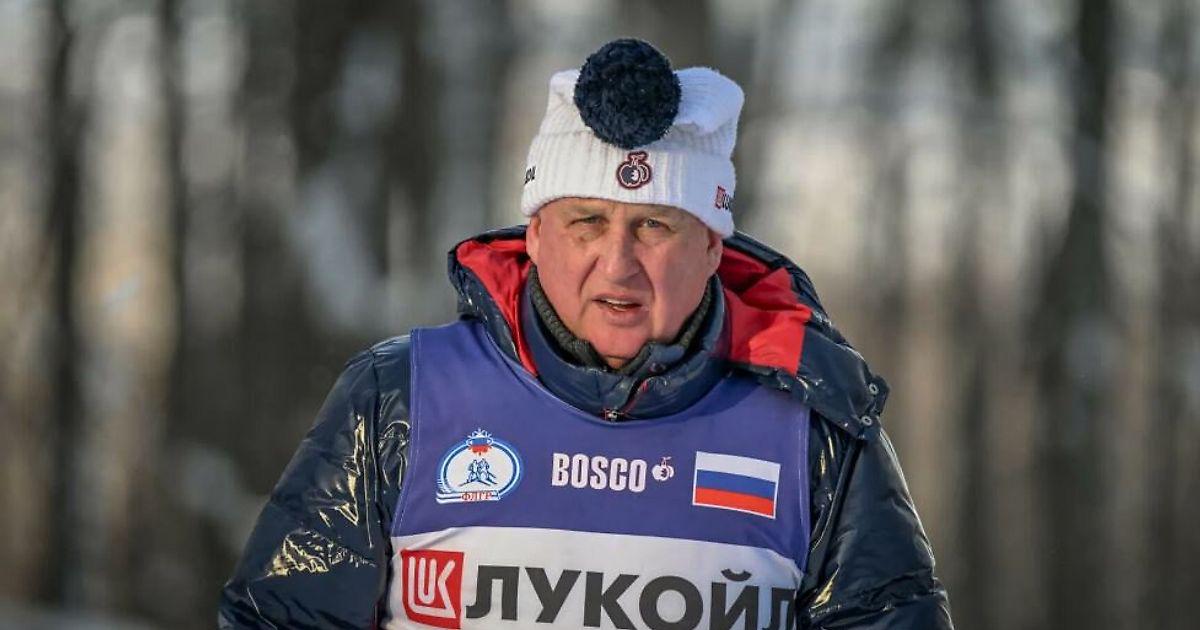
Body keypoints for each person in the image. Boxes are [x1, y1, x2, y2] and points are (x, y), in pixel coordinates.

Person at [219, 39, 953, 629]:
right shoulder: (399, 400)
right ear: (536, 235)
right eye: (587, 222)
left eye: (654, 225)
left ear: (711, 247)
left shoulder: (814, 430)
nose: (618, 263)